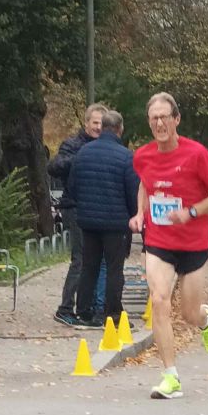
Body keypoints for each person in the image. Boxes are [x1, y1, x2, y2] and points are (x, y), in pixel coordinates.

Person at [129, 91, 208, 400]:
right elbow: (146, 183)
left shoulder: (197, 154)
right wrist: (140, 212)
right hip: (159, 240)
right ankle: (170, 377)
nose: (159, 123)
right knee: (159, 300)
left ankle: (205, 321)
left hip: (194, 242)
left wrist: (191, 212)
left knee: (188, 314)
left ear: (176, 120)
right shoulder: (142, 156)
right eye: (153, 118)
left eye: (164, 117)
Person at [68, 110, 139, 328]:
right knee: (114, 269)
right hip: (116, 224)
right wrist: (133, 215)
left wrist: (84, 206)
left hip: (88, 221)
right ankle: (112, 313)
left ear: (103, 127)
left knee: (89, 266)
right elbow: (133, 191)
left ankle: (84, 311)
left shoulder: (83, 153)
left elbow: (72, 186)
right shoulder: (126, 156)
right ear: (120, 129)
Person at [48, 102, 108, 326]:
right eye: (95, 123)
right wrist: (82, 157)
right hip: (75, 207)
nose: (98, 127)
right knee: (81, 259)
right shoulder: (73, 145)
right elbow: (55, 167)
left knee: (95, 260)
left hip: (96, 208)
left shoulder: (105, 146)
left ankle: (88, 308)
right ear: (86, 123)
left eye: (102, 124)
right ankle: (65, 307)